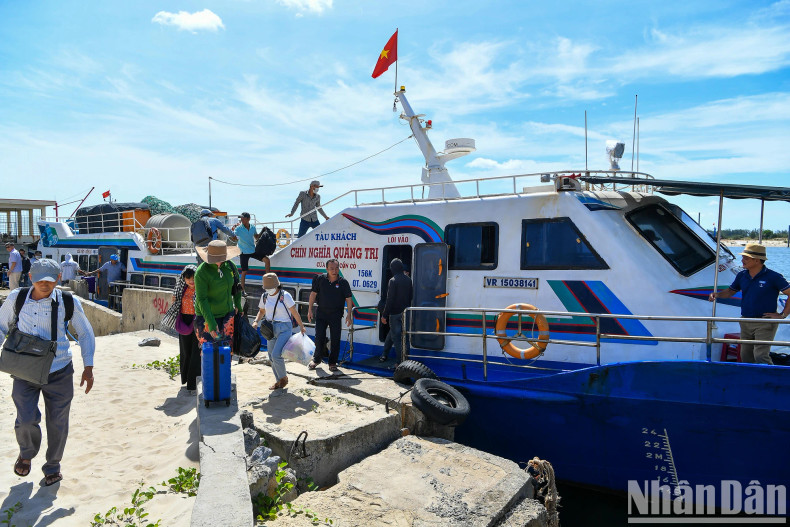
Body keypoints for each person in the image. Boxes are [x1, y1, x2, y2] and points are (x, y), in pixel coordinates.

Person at [0, 258, 95, 486]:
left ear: (58, 279)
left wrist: (88, 367)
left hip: (59, 370)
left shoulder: (67, 301)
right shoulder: (17, 298)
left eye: (50, 281)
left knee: (58, 422)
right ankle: (27, 452)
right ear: (30, 277)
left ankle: (52, 466)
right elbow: (1, 327)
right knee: (25, 419)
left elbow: (85, 332)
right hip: (24, 371)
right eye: (40, 280)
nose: (45, 285)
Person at [709, 243, 790, 364]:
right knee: (746, 356)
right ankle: (754, 381)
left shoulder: (774, 277)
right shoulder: (742, 275)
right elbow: (731, 291)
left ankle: (772, 381)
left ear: (757, 260)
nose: (742, 260)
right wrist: (717, 295)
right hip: (745, 321)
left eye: (746, 258)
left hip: (765, 322)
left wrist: (783, 315)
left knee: (760, 356)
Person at [252, 273, 306, 390]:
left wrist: (301, 326)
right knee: (271, 355)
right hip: (270, 328)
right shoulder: (265, 296)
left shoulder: (285, 296)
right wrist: (256, 321)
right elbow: (261, 311)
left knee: (276, 354)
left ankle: (283, 379)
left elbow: (294, 312)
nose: (269, 290)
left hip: (284, 328)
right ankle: (278, 381)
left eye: (271, 288)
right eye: (267, 288)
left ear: (277, 286)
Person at [194, 240, 242, 351]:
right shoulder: (201, 272)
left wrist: (238, 305)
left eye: (221, 259)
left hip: (227, 315)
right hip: (206, 317)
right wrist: (210, 322)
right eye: (215, 259)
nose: (218, 262)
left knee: (226, 352)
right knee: (209, 353)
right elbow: (202, 299)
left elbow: (237, 287)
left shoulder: (231, 266)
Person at [308, 259, 352, 372]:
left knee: (335, 339)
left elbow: (348, 299)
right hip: (321, 313)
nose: (334, 270)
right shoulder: (320, 279)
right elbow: (313, 294)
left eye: (336, 268)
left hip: (336, 315)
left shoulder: (343, 282)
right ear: (327, 269)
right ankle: (316, 359)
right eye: (332, 268)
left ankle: (332, 362)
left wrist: (349, 315)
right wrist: (309, 310)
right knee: (319, 337)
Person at [161, 266, 200, 393]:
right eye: (188, 278)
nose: (191, 281)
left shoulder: (201, 290)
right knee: (185, 352)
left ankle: (193, 384)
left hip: (197, 322)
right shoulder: (181, 290)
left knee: (196, 353)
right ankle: (186, 380)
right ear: (183, 278)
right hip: (184, 321)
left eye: (193, 278)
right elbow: (177, 303)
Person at [378, 258, 413, 363]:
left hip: (395, 314)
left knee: (397, 339)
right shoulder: (408, 280)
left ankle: (400, 362)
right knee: (401, 336)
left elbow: (390, 300)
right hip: (405, 313)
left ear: (393, 268)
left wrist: (384, 315)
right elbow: (411, 296)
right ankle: (385, 354)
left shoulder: (393, 280)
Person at [232, 212, 269, 292]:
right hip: (243, 252)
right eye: (241, 218)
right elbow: (234, 237)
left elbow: (256, 237)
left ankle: (268, 282)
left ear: (248, 219)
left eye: (243, 218)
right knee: (244, 271)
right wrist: (233, 236)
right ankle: (242, 291)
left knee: (267, 260)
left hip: (252, 250)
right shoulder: (238, 229)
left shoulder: (252, 227)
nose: (242, 220)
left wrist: (262, 231)